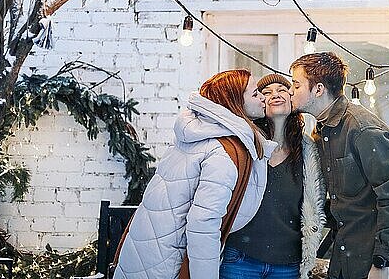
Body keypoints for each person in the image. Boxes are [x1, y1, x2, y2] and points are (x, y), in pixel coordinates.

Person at [113, 69, 275, 279]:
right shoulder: (222, 151)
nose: (263, 97)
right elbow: (204, 226)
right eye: (255, 94)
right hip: (168, 262)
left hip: (147, 251)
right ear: (234, 102)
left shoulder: (197, 136)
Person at [289, 52, 389, 279]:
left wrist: (382, 261)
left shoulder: (362, 129)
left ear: (318, 89)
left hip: (385, 261)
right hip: (349, 253)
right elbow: (348, 200)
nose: (291, 91)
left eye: (296, 85)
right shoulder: (324, 131)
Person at [220, 73, 326, 279]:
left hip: (287, 264)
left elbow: (314, 206)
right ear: (259, 103)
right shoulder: (245, 146)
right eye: (266, 93)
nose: (275, 95)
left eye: (282, 90)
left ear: (291, 99)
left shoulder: (308, 152)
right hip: (240, 258)